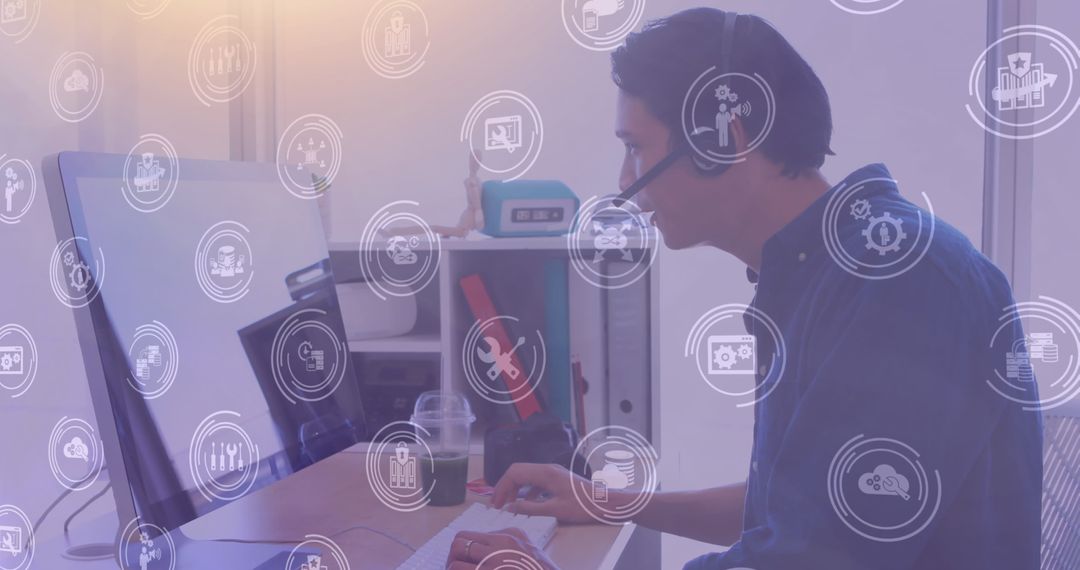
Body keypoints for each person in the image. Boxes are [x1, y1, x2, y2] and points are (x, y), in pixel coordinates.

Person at [446, 8, 1042, 570]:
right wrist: (610, 502)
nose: (626, 183)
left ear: (723, 136)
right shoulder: (828, 271)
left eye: (635, 148)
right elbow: (795, 511)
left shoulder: (897, 283)